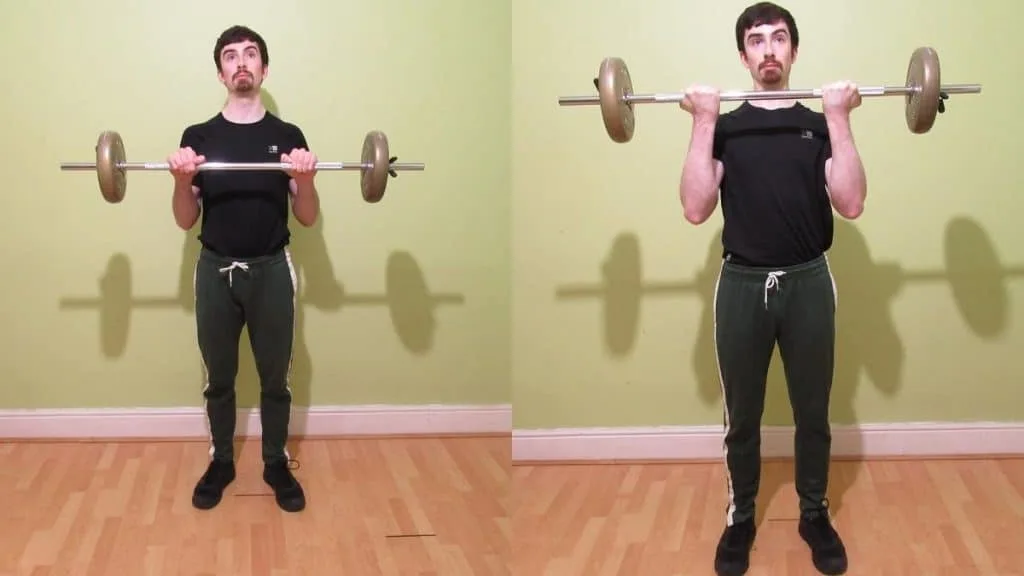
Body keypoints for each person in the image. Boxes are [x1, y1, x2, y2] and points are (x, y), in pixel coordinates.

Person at [677, 3, 865, 575]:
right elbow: (694, 207)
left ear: (794, 51)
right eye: (756, 41)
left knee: (814, 410)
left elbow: (852, 202)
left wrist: (840, 117)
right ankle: (741, 517)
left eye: (778, 39)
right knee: (743, 415)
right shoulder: (726, 128)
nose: (768, 50)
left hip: (808, 279)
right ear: (743, 56)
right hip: (741, 283)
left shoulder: (816, 123)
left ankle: (814, 512)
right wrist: (702, 120)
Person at [167, 25, 320, 513]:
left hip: (273, 269)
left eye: (250, 54)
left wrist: (307, 179)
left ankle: (275, 463)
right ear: (220, 72)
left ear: (264, 69)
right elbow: (186, 219)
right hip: (214, 270)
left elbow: (308, 215)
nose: (241, 63)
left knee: (276, 378)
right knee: (219, 376)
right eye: (231, 56)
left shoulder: (288, 136)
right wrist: (181, 180)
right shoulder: (199, 137)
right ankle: (222, 461)